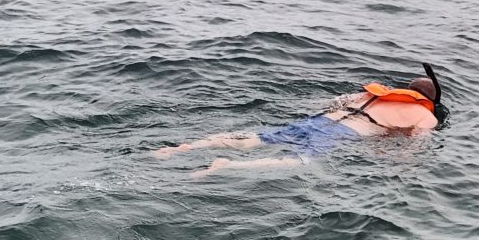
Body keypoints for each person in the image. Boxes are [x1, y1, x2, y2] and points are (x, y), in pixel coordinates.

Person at [155, 63, 448, 175]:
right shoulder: (425, 115)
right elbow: (412, 151)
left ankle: (184, 148)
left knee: (259, 137)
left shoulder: (374, 94)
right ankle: (226, 167)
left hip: (322, 119)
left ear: (407, 90)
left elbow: (335, 102)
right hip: (344, 134)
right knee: (296, 162)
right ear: (430, 100)